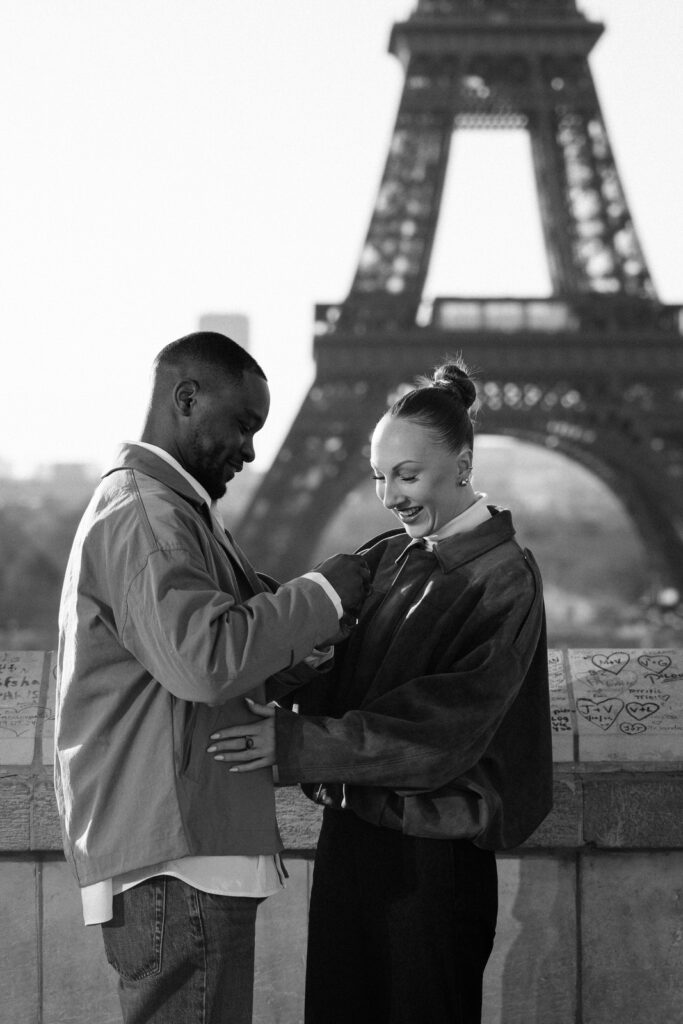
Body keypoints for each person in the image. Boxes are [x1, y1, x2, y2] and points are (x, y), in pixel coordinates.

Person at [208, 359, 553, 1024]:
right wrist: (304, 657)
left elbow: (442, 736)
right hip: (350, 838)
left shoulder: (505, 579)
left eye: (407, 475)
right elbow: (322, 665)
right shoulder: (385, 557)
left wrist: (293, 743)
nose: (389, 494)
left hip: (433, 861)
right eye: (378, 475)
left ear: (462, 464)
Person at [54, 331, 370, 1024]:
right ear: (187, 398)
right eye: (243, 424)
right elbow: (204, 661)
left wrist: (305, 645)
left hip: (185, 844)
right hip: (180, 854)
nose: (251, 451)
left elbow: (201, 666)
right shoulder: (149, 514)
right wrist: (322, 595)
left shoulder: (167, 509)